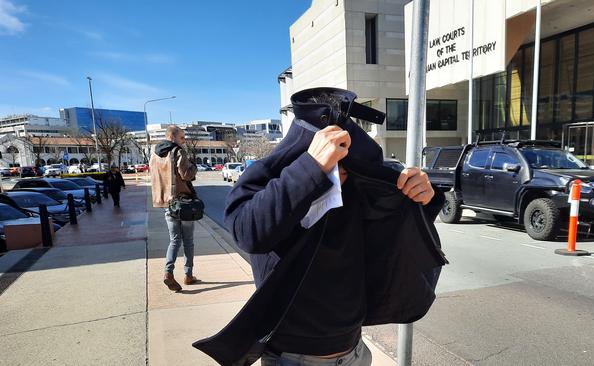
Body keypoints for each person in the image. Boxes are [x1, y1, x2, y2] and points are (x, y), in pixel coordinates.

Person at [193, 87, 447, 366]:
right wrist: (311, 168)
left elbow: (393, 235)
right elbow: (247, 232)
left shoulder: (361, 181)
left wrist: (423, 197)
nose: (340, 171)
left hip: (355, 350)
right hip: (294, 357)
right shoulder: (272, 175)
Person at [150, 125, 199, 292]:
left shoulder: (155, 155)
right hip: (183, 203)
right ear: (173, 137)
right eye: (182, 137)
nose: (184, 141)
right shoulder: (178, 151)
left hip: (167, 204)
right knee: (188, 241)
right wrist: (193, 166)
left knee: (174, 241)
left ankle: (168, 272)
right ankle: (188, 275)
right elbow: (186, 174)